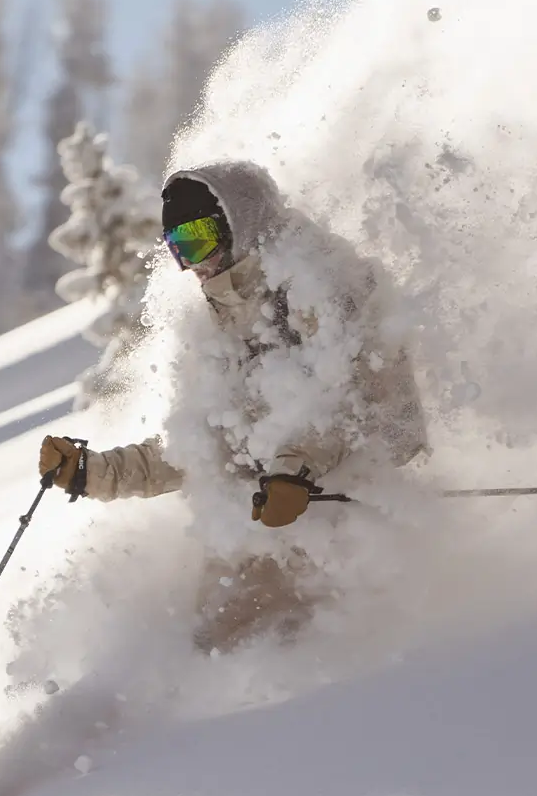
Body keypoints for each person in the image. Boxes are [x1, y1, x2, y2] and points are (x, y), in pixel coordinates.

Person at [37, 159, 427, 651]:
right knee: (212, 633)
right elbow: (206, 443)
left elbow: (355, 401)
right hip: (281, 507)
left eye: (200, 239)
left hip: (358, 499)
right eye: (180, 248)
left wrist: (294, 470)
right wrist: (96, 472)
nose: (193, 262)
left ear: (240, 221)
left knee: (271, 634)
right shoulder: (223, 320)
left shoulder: (322, 281)